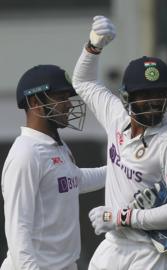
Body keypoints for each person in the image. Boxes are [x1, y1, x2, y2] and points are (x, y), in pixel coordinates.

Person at [72, 16, 167, 269]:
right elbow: (83, 82)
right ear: (128, 97)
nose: (155, 102)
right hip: (113, 247)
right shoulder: (116, 116)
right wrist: (93, 47)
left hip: (150, 253)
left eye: (160, 94)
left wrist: (121, 217)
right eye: (146, 95)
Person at [1, 65, 105, 270]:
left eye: (67, 97)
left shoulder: (56, 145)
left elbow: (75, 180)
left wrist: (125, 168)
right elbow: (17, 228)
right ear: (34, 102)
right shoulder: (26, 154)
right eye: (60, 97)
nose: (68, 105)